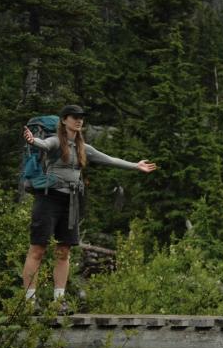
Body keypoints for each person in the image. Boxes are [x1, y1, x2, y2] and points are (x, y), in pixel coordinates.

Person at [21, 104, 157, 312]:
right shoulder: (56, 141)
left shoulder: (83, 147)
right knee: (38, 249)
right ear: (64, 120)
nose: (79, 120)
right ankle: (30, 303)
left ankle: (58, 302)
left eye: (81, 117)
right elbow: (45, 145)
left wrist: (135, 166)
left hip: (71, 202)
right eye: (74, 117)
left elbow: (109, 159)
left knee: (64, 251)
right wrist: (33, 141)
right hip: (48, 199)